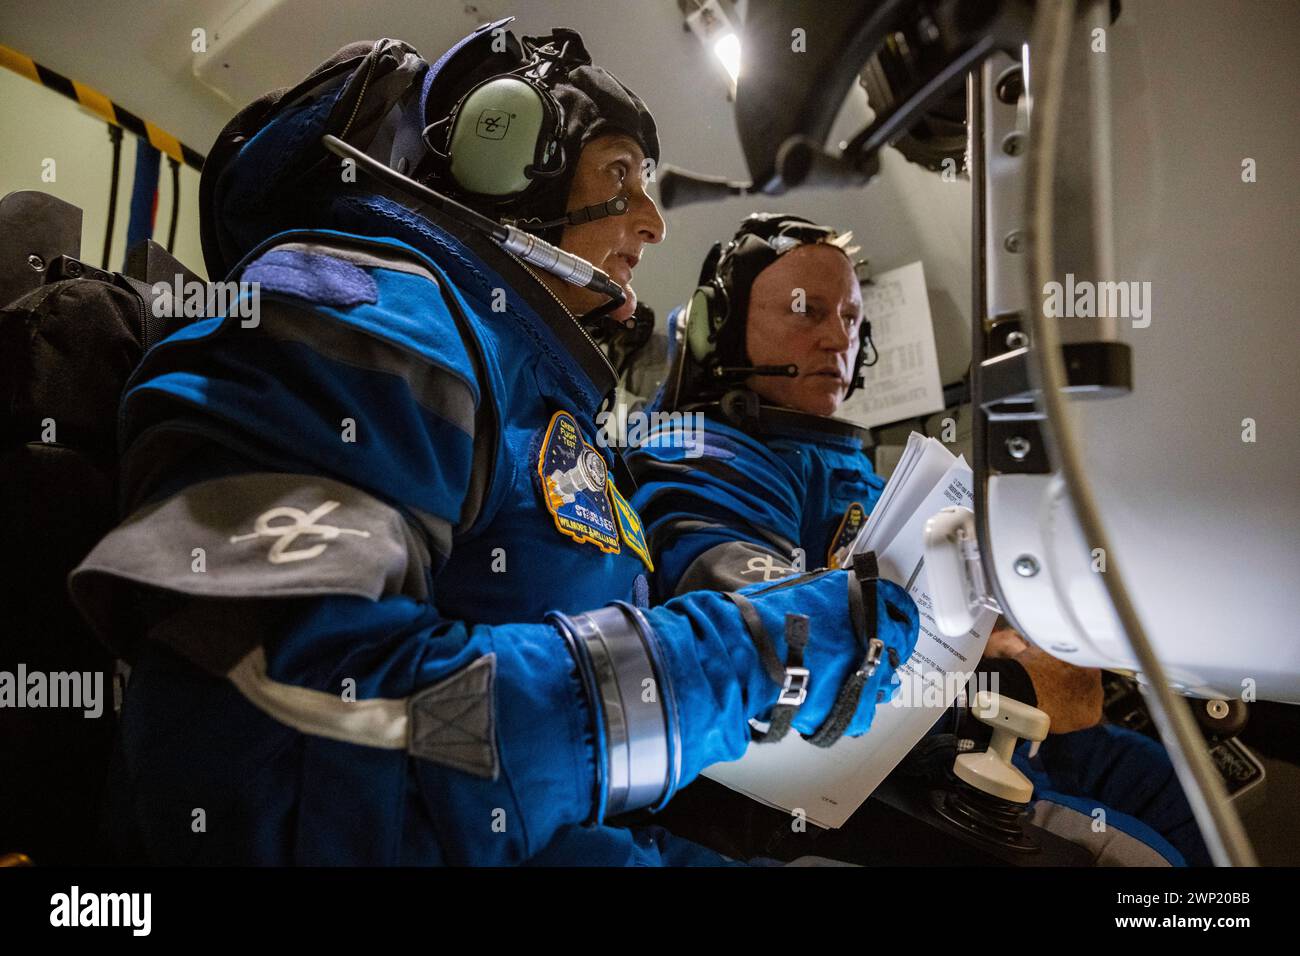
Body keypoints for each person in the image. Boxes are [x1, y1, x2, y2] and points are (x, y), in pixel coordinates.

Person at [65, 24, 920, 866]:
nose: (654, 222)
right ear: (500, 155)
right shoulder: (361, 306)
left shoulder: (530, 393)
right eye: (622, 173)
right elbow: (282, 745)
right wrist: (748, 659)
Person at [627, 212, 1211, 866]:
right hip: (861, 756)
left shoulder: (852, 470)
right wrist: (1003, 684)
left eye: (850, 319)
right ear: (720, 328)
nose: (835, 338)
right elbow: (762, 623)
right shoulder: (704, 455)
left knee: (1180, 788)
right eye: (806, 310)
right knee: (1145, 861)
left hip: (960, 728)